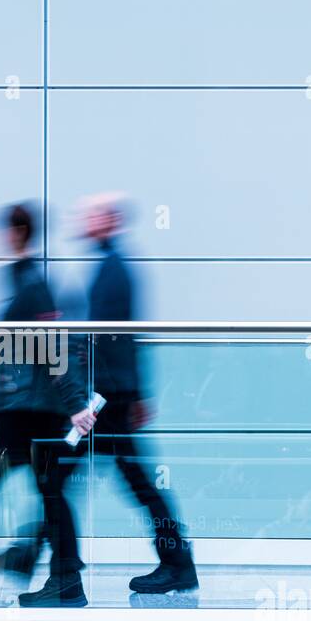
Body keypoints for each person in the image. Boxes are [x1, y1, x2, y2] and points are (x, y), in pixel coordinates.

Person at [0, 203, 97, 607]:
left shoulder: (32, 285)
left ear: (16, 232)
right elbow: (23, 342)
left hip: (33, 411)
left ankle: (56, 574)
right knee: (44, 488)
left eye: (4, 231)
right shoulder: (22, 281)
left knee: (2, 480)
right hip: (24, 409)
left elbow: (52, 343)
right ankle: (58, 573)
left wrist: (76, 404)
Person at [80, 193, 198, 594]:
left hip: (111, 396)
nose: (84, 221)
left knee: (128, 479)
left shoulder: (114, 269)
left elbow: (117, 336)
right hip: (113, 393)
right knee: (65, 473)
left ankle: (177, 561)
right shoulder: (111, 266)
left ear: (110, 220)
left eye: (92, 214)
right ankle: (176, 560)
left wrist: (124, 395)